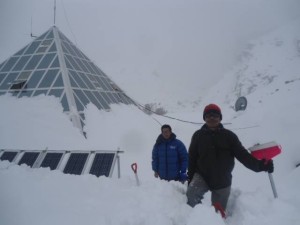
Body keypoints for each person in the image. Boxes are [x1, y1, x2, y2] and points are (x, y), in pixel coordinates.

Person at [186, 104, 274, 211]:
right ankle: (196, 219)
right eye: (208, 115)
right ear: (204, 118)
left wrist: (260, 166)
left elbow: (243, 155)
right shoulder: (198, 135)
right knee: (191, 196)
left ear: (220, 118)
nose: (212, 118)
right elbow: (192, 157)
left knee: (219, 212)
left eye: (215, 115)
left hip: (222, 179)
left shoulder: (229, 136)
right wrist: (190, 178)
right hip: (202, 175)